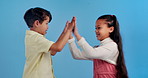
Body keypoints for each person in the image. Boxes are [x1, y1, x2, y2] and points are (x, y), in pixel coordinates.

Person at [22, 7, 75, 78]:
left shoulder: (36, 38)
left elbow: (53, 51)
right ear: (37, 23)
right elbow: (58, 47)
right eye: (46, 23)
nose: (48, 27)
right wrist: (69, 30)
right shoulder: (35, 38)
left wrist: (64, 33)